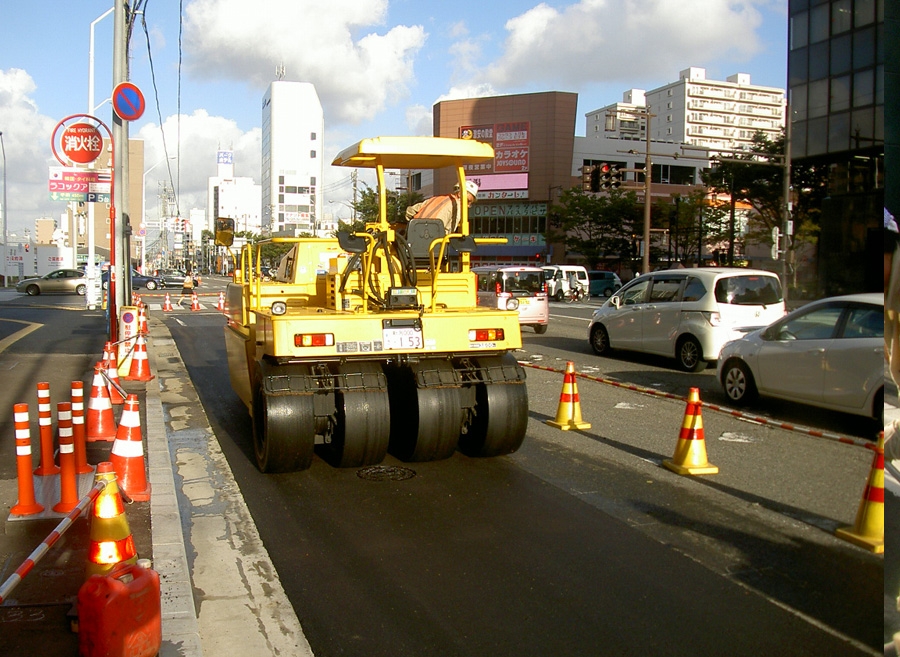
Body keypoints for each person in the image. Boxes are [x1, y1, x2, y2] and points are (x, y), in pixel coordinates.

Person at [405, 180, 478, 233]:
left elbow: (410, 211)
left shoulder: (435, 199)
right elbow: (449, 230)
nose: (468, 206)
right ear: (459, 194)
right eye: (468, 201)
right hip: (433, 242)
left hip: (413, 236)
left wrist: (415, 224)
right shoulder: (457, 206)